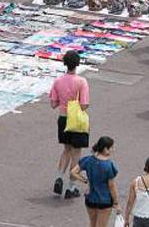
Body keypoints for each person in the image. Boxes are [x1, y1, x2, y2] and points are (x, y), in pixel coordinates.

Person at [50, 51, 90, 199]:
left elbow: (53, 103)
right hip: (76, 121)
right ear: (77, 64)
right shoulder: (81, 82)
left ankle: (59, 177)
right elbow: (84, 104)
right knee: (76, 153)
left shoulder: (58, 81)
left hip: (63, 118)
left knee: (66, 149)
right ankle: (71, 186)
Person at [71, 136, 118, 227]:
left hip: (90, 198)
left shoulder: (88, 160)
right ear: (105, 149)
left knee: (92, 224)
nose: (113, 150)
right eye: (111, 147)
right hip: (105, 200)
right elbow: (111, 186)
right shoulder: (109, 165)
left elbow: (73, 172)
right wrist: (116, 201)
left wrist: (85, 180)